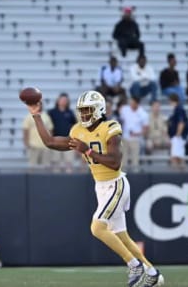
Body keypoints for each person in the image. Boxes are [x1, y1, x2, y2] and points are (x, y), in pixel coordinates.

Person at [24, 90, 164, 287]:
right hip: (101, 187)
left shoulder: (111, 127)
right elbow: (50, 142)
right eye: (82, 111)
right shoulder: (78, 131)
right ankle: (152, 272)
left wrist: (87, 150)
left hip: (116, 183)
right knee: (121, 235)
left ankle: (134, 264)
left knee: (97, 227)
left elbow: (115, 162)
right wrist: (36, 115)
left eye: (88, 110)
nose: (84, 115)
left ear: (99, 110)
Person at [47, 94, 77, 173]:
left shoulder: (70, 112)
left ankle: (69, 179)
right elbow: (48, 127)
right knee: (55, 162)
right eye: (62, 100)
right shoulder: (51, 112)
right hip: (55, 140)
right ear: (58, 100)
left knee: (69, 162)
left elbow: (75, 125)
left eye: (65, 100)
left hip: (68, 141)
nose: (63, 102)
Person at [119, 97, 149, 173]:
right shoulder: (125, 109)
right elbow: (121, 121)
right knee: (123, 159)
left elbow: (145, 129)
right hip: (124, 138)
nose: (131, 104)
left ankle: (135, 175)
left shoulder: (143, 114)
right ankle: (122, 175)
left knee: (135, 160)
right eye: (130, 102)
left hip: (135, 139)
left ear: (137, 103)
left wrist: (136, 134)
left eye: (132, 103)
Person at [167, 93, 188, 171]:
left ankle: (177, 173)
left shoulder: (178, 109)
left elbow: (181, 123)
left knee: (176, 158)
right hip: (178, 137)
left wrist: (177, 135)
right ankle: (181, 173)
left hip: (178, 137)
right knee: (179, 157)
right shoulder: (178, 109)